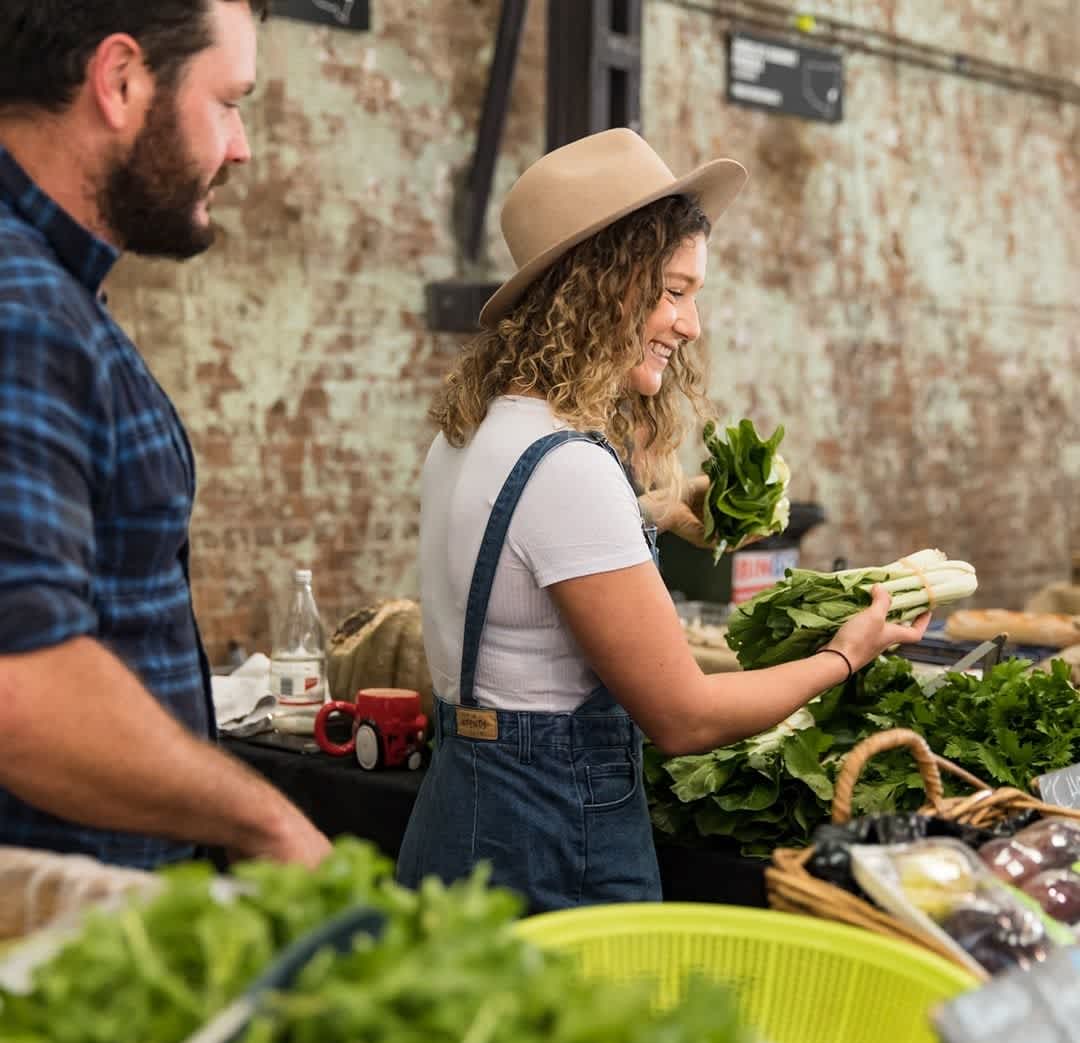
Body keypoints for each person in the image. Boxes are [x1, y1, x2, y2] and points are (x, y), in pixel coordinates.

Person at [396, 128, 930, 912]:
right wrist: (844, 658)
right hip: (552, 842)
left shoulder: (470, 436)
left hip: (460, 817)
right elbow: (684, 717)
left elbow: (523, 561)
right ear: (600, 286)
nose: (690, 325)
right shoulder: (570, 467)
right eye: (674, 291)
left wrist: (659, 511)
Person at [0, 0, 331, 870]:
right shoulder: (23, 306)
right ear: (119, 81)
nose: (241, 145)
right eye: (227, 102)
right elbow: (20, 683)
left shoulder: (58, 293)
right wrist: (268, 823)